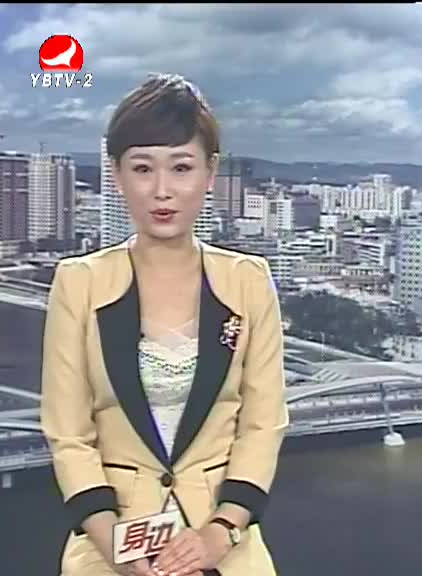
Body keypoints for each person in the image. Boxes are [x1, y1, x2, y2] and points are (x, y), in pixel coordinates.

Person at [40, 74, 289, 576]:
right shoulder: (78, 282)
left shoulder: (248, 281)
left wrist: (219, 533)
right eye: (142, 168)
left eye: (181, 167)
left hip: (223, 536)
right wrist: (118, 548)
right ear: (116, 174)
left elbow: (263, 424)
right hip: (111, 538)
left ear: (210, 172)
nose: (161, 191)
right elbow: (69, 435)